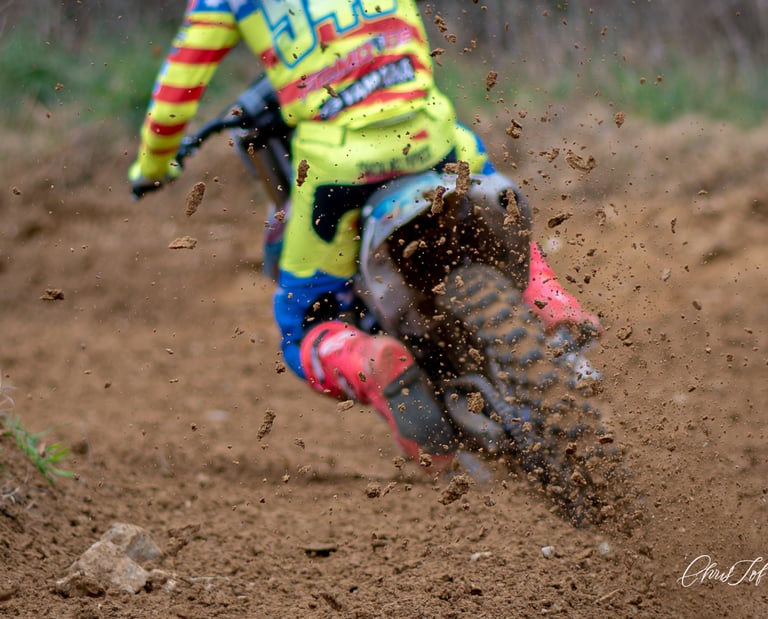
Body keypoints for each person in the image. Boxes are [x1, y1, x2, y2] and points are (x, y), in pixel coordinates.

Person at [129, 0, 600, 471]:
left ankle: (372, 363)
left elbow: (178, 86)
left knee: (303, 324)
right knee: (498, 207)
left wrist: (153, 165)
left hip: (338, 170)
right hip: (430, 137)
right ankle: (550, 300)